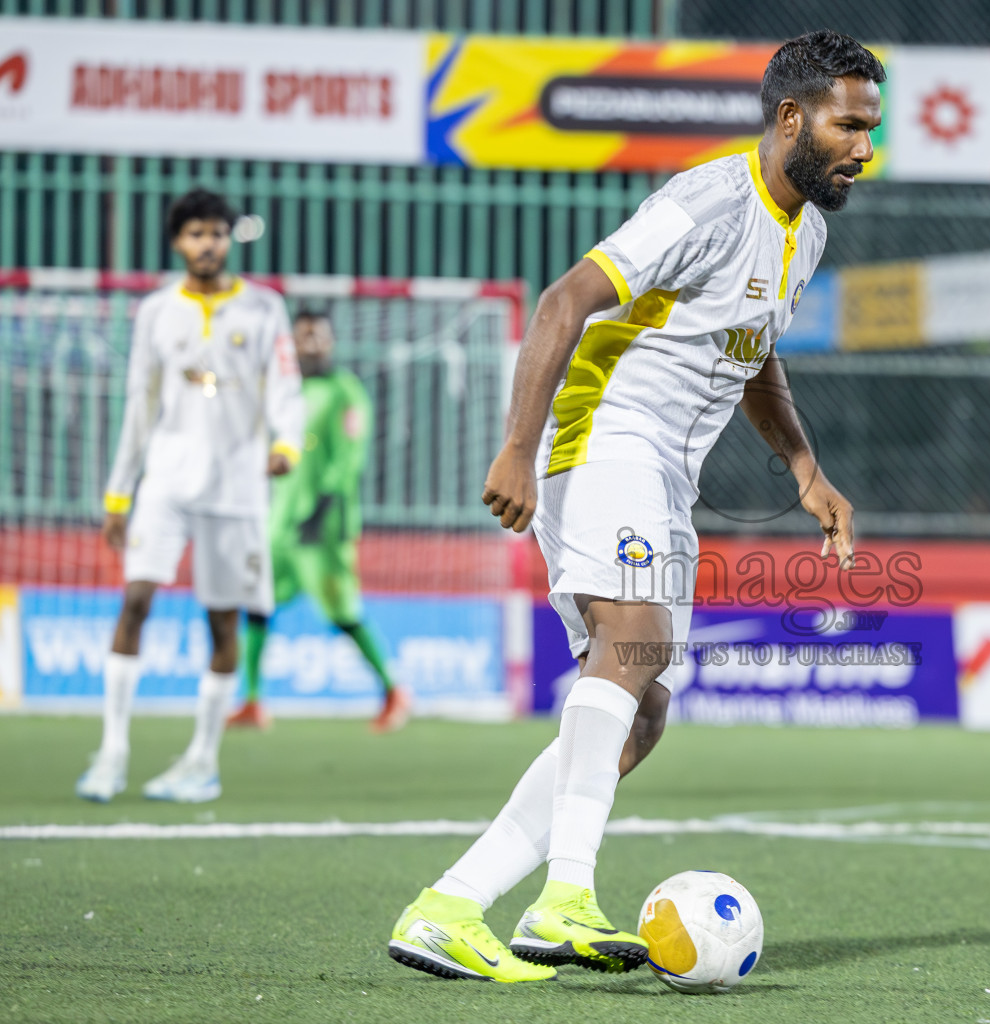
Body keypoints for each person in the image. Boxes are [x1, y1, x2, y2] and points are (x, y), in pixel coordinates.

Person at [387, 29, 880, 984]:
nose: (864, 146)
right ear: (792, 119)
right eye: (848, 125)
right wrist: (518, 451)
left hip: (666, 473)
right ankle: (568, 895)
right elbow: (564, 300)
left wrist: (804, 467)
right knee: (636, 643)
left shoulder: (806, 232)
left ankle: (453, 903)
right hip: (604, 436)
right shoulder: (706, 200)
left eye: (869, 127)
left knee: (645, 706)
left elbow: (753, 353)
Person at [74, 188, 304, 804]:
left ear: (229, 241)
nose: (208, 244)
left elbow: (286, 383)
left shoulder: (263, 308)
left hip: (235, 487)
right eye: (197, 233)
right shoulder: (155, 311)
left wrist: (288, 444)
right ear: (178, 242)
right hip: (166, 484)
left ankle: (202, 760)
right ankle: (112, 752)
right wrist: (119, 496)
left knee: (221, 622)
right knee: (136, 600)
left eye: (218, 233)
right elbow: (138, 404)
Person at [225, 310, 411, 733]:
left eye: (318, 337)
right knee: (258, 603)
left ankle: (393, 690)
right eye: (303, 337)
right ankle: (252, 700)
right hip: (280, 522)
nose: (310, 345)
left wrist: (323, 509)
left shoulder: (346, 392)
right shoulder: (283, 392)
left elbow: (350, 459)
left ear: (331, 342)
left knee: (342, 611)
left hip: (323, 524)